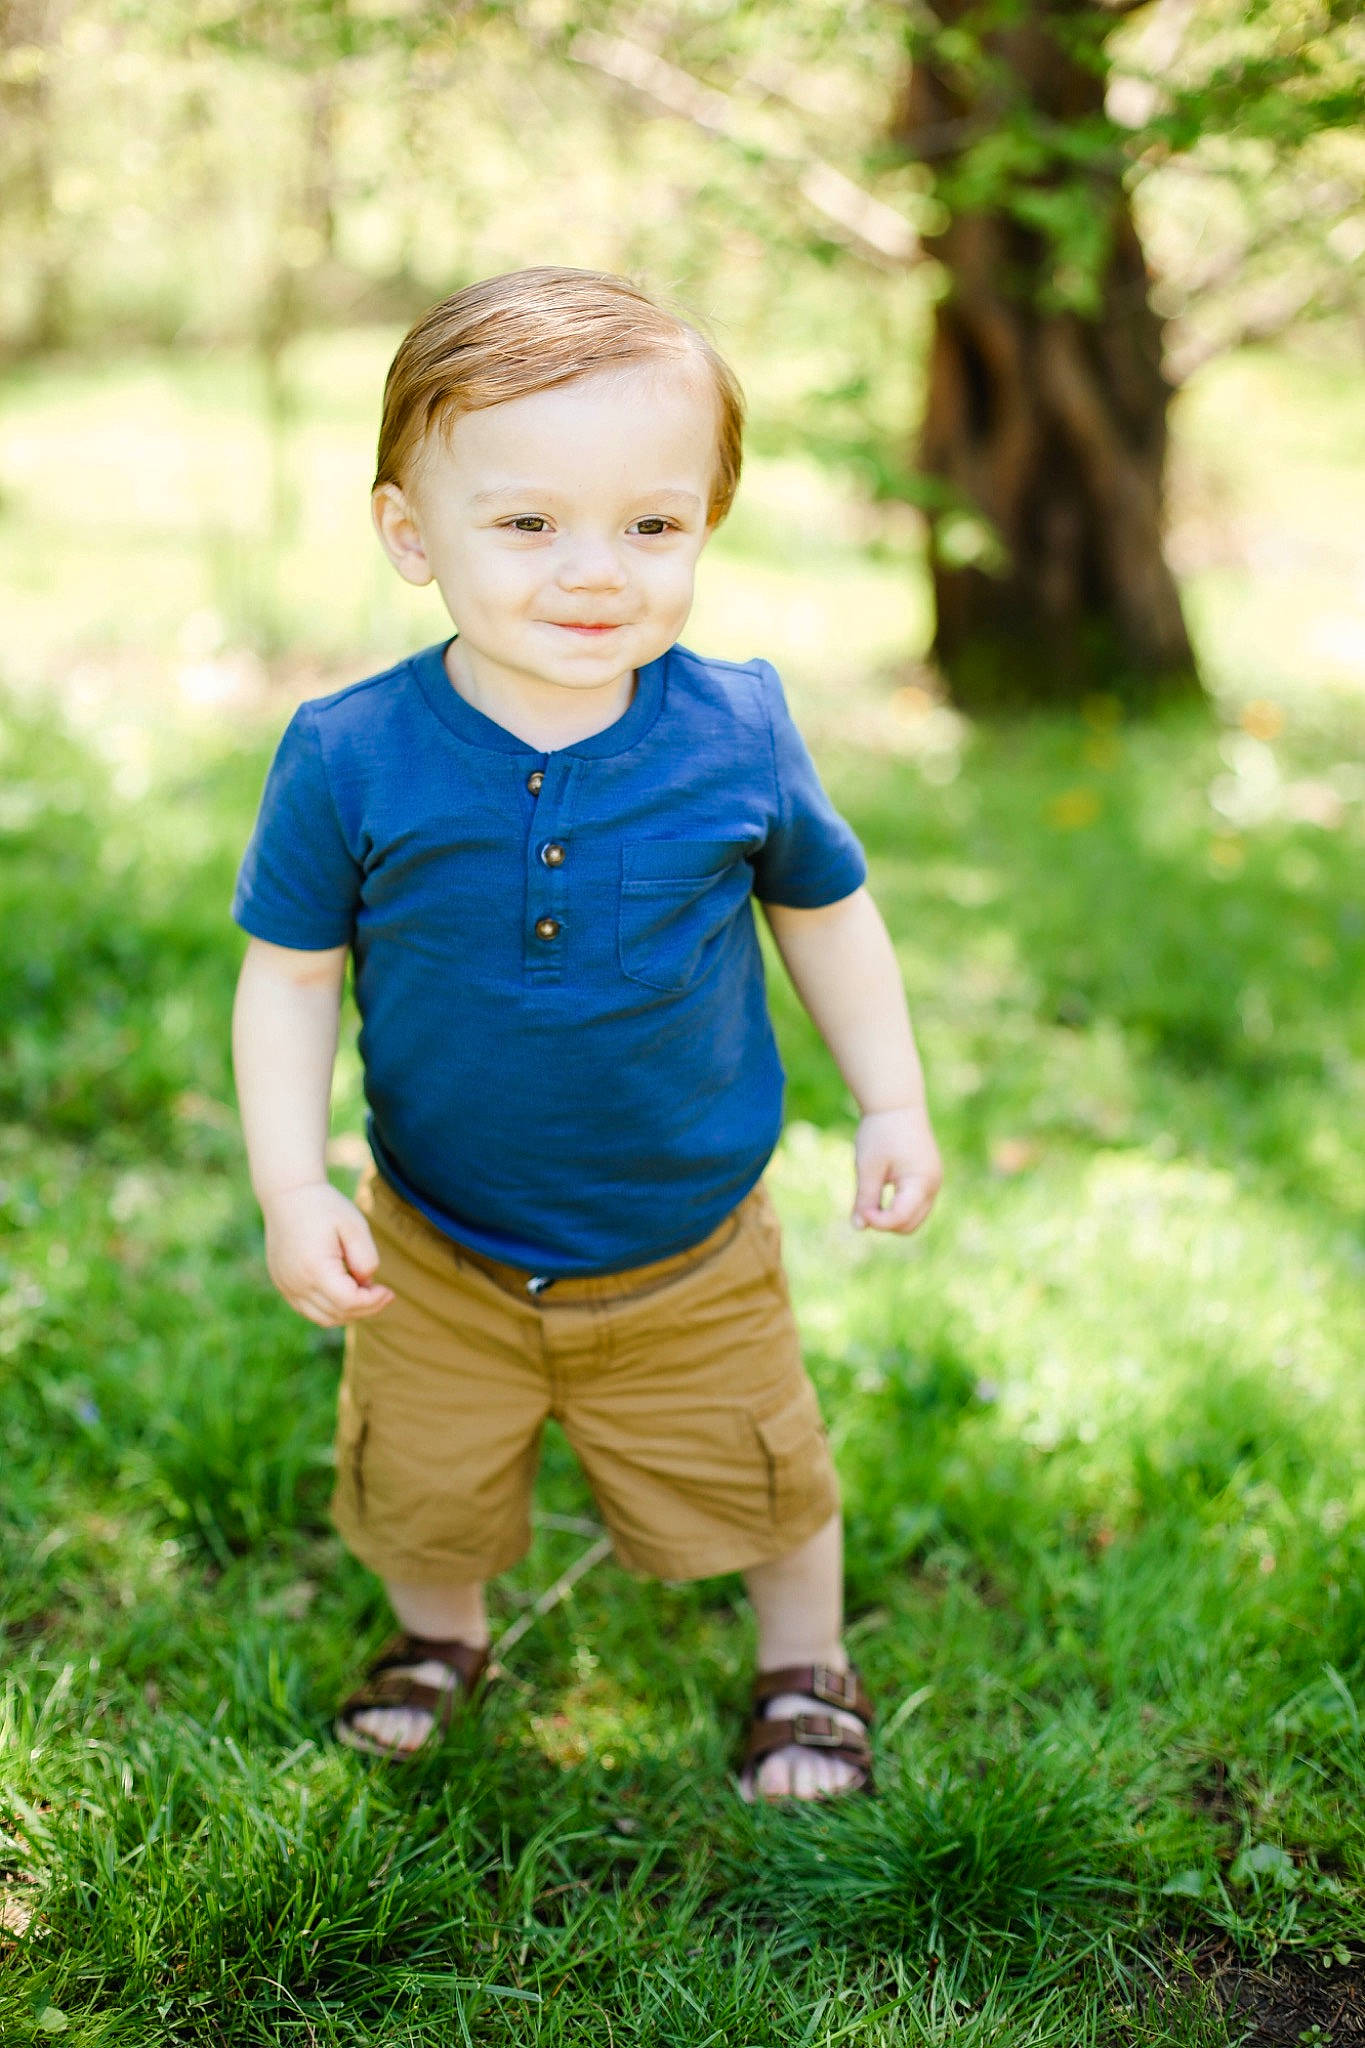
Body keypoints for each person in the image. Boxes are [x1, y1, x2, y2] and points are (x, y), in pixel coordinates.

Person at [231, 266, 942, 1801]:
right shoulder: (348, 756)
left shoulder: (734, 728)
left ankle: (801, 1666)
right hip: (437, 1237)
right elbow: (287, 976)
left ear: (705, 523)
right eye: (528, 524)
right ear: (412, 537)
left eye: (652, 525)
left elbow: (823, 911)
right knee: (420, 1478)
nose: (594, 574)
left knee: (762, 1469)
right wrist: (295, 1188)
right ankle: (439, 1636)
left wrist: (890, 1102)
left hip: (687, 1241)